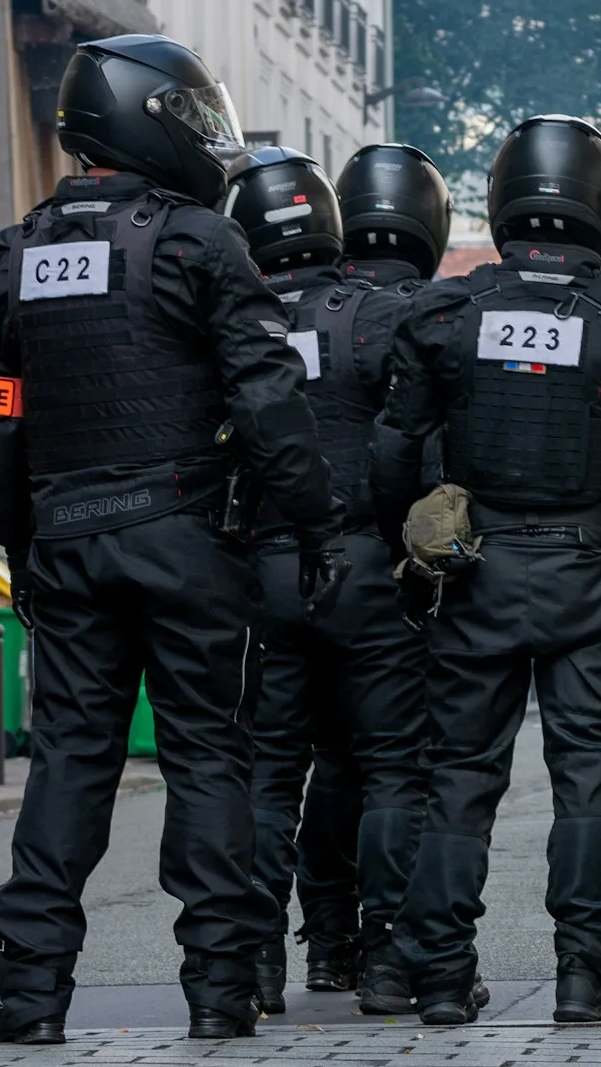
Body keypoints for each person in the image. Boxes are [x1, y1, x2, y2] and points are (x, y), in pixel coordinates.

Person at [0, 36, 349, 1043]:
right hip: (185, 538)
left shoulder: (8, 258)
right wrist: (309, 523)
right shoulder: (196, 242)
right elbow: (268, 401)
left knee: (68, 763)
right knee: (208, 758)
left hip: (68, 543)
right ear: (148, 120)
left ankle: (28, 993)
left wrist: (27, 547)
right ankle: (220, 992)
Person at [372, 115, 601, 1026]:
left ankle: (441, 974)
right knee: (585, 779)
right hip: (588, 570)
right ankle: (582, 971)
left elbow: (392, 450)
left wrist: (406, 553)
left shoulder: (445, 315)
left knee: (459, 778)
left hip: (474, 568)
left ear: (502, 199)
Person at [223, 143, 457, 1018]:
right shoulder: (377, 316)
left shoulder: (232, 323)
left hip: (265, 570)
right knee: (394, 764)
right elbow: (418, 441)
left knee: (274, 766)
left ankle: (254, 966)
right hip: (366, 561)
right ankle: (389, 953)